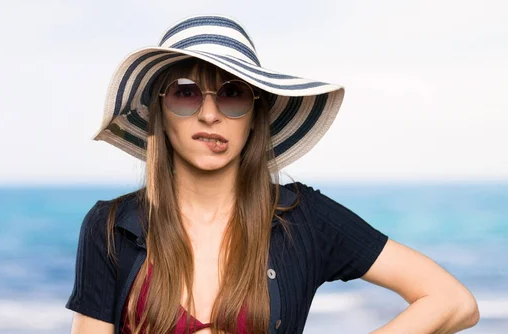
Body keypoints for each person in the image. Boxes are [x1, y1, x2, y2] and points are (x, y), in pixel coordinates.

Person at [65, 15, 479, 334]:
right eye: (187, 91)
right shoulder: (109, 227)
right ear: (160, 112)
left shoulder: (305, 218)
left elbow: (452, 301)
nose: (210, 114)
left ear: (255, 116)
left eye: (232, 93)